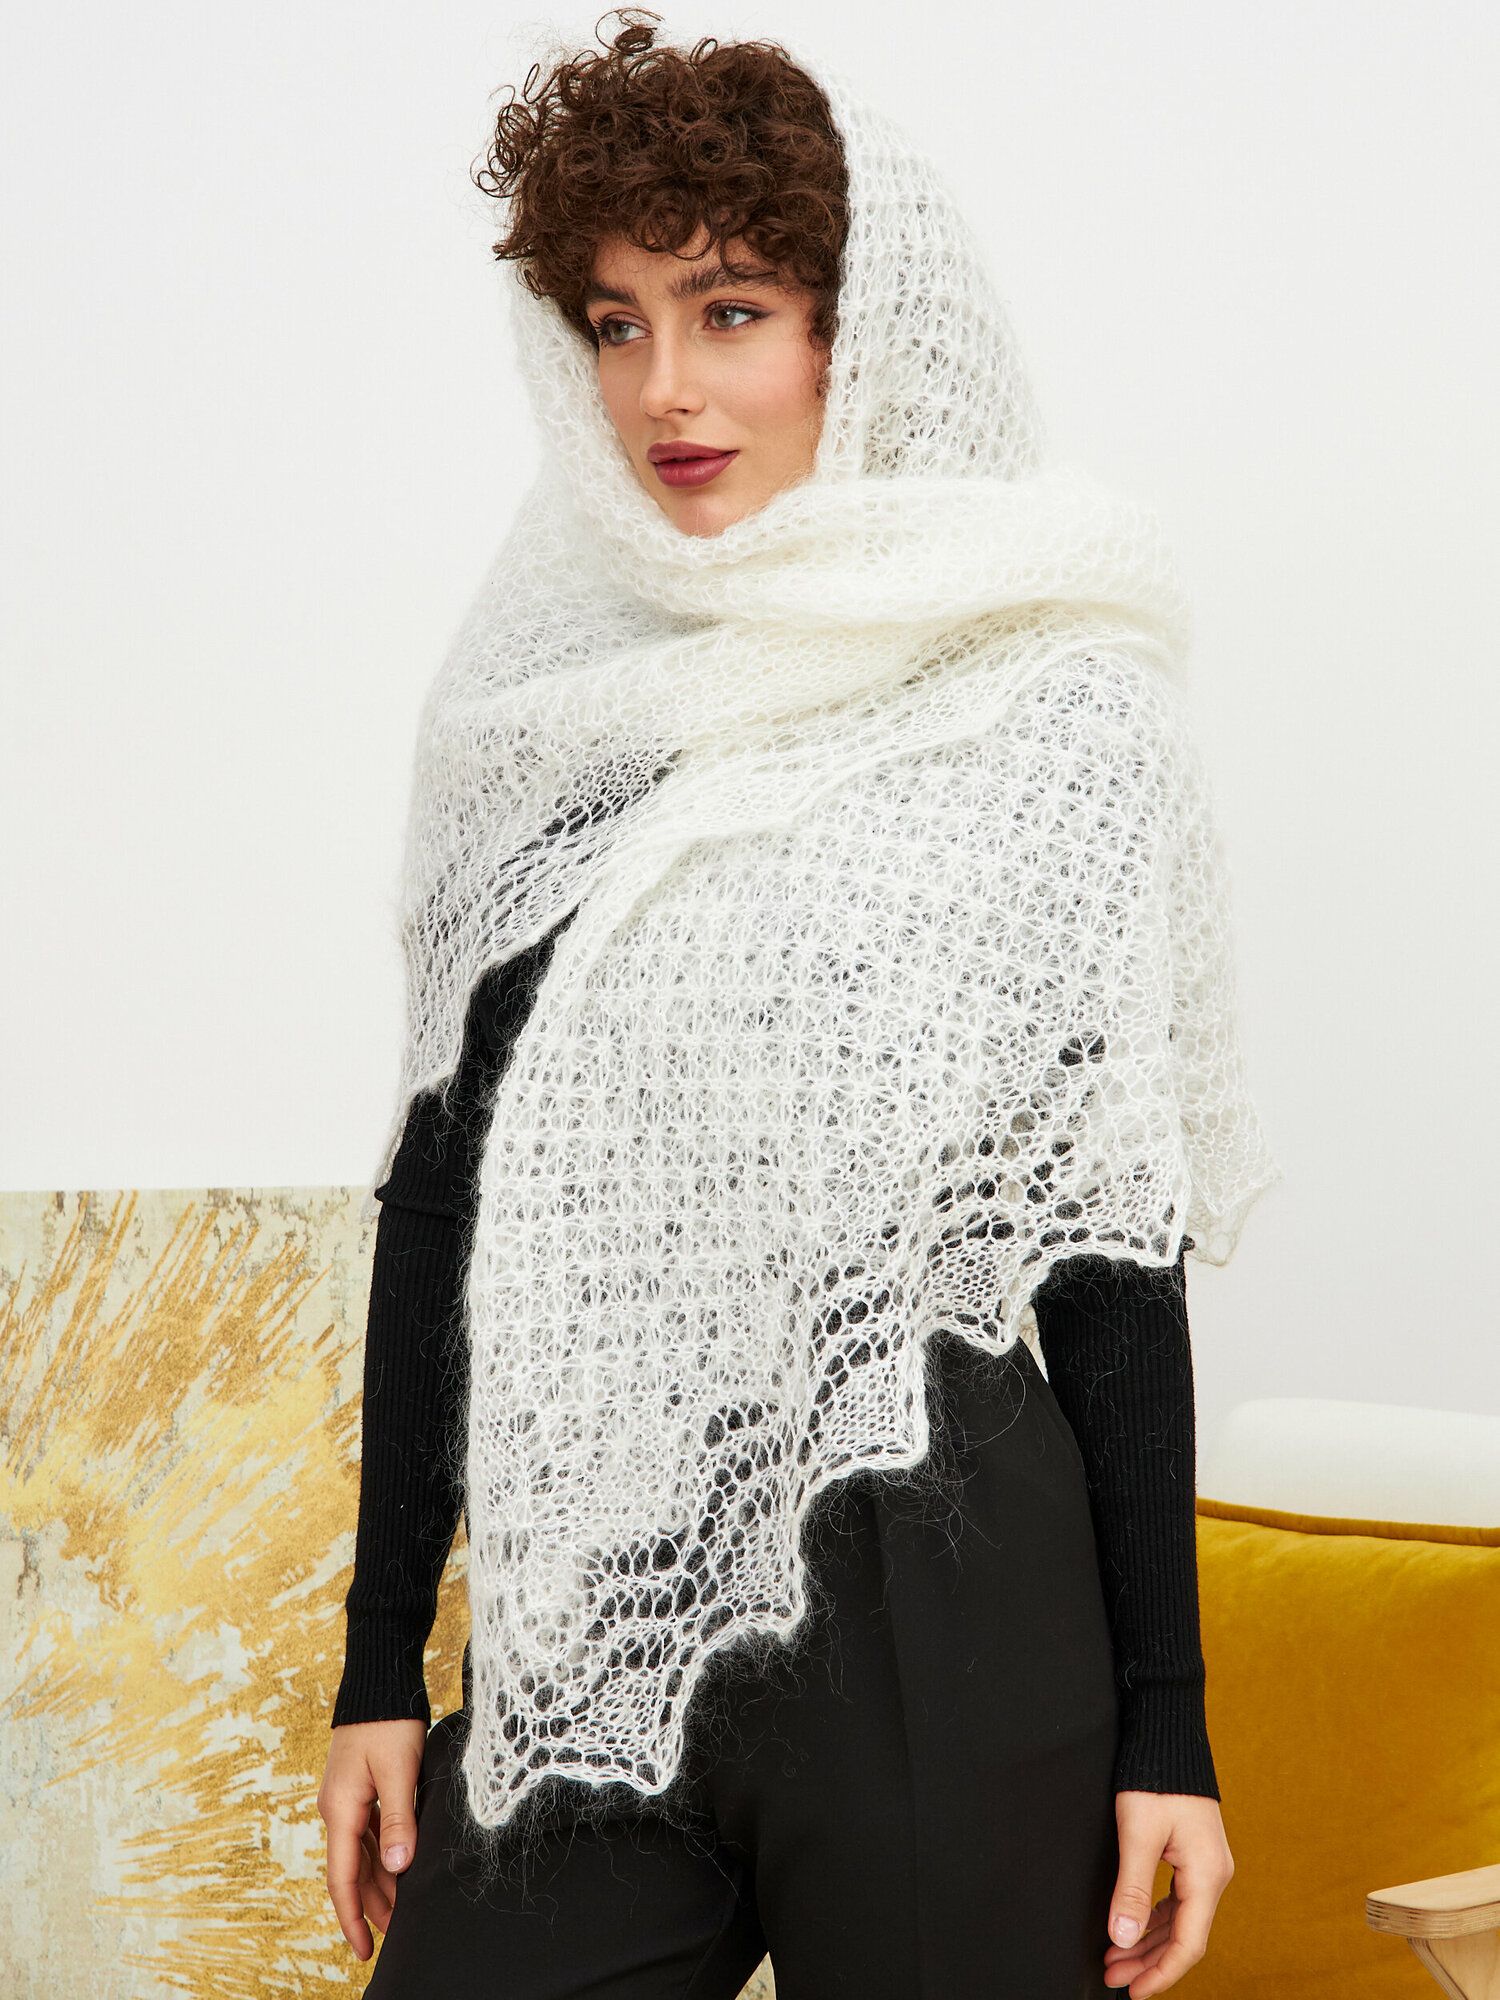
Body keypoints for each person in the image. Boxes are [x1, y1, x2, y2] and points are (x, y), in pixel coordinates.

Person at [317, 17, 1277, 1999]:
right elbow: (444, 1197)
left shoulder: (1053, 711)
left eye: (731, 312)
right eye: (617, 322)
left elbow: (1109, 1252)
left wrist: (1168, 1730)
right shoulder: (542, 715)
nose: (664, 388)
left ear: (865, 332)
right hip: (600, 1602)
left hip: (953, 1614)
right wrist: (377, 1662)